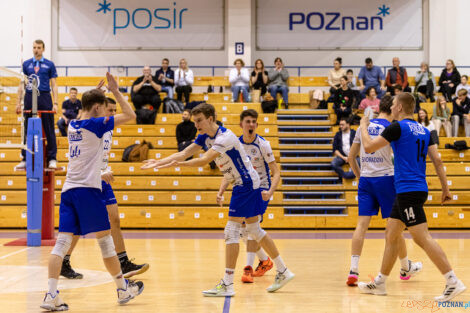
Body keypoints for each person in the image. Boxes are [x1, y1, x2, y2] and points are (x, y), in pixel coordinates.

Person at [141, 103, 294, 297]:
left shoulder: (225, 137)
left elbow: (204, 160)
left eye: (199, 121)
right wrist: (158, 162)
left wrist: (174, 165)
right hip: (247, 183)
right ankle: (283, 270)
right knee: (254, 229)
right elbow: (184, 153)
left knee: (232, 231)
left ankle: (228, 284)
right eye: (195, 121)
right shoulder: (205, 136)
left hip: (245, 185)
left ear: (210, 119)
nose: (196, 125)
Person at [40, 73, 144, 311]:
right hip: (88, 190)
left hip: (69, 191)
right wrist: (116, 91)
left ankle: (51, 294)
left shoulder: (73, 124)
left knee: (61, 244)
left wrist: (97, 94)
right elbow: (131, 115)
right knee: (106, 242)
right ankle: (122, 289)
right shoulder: (95, 125)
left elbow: (87, 109)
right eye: (102, 108)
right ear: (97, 107)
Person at [357, 92, 466, 302]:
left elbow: (369, 147)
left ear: (398, 107)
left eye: (394, 103)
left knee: (421, 237)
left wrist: (363, 125)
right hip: (415, 188)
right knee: (391, 233)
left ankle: (453, 280)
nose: (393, 106)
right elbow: (437, 161)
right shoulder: (425, 130)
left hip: (407, 190)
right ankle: (380, 283)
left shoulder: (397, 128)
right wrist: (446, 189)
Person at [60, 96, 150, 280]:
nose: (113, 114)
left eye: (114, 111)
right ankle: (65, 260)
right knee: (80, 226)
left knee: (115, 219)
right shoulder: (94, 124)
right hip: (90, 179)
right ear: (99, 110)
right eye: (110, 111)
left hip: (102, 176)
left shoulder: (106, 127)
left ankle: (123, 261)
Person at [346, 95, 422, 287]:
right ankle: (405, 267)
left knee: (361, 226)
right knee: (395, 227)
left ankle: (353, 270)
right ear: (393, 109)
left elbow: (351, 157)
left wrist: (359, 175)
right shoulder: (390, 129)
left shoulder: (362, 128)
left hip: (366, 180)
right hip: (386, 179)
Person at [216, 109, 280, 283]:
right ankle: (265, 261)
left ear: (257, 125)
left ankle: (249, 268)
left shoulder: (263, 145)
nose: (251, 125)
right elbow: (229, 171)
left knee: (251, 226)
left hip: (261, 188)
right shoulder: (235, 144)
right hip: (244, 187)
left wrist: (270, 192)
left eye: (254, 122)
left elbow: (276, 172)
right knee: (245, 229)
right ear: (241, 125)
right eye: (248, 122)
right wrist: (221, 191)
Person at [16, 39, 58, 169]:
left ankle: (52, 158)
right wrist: (18, 102)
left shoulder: (49, 64)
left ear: (43, 49)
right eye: (34, 47)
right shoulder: (26, 64)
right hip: (29, 96)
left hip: (44, 96)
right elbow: (21, 84)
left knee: (49, 128)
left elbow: (54, 85)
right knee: (26, 129)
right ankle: (25, 158)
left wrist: (55, 102)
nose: (36, 50)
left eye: (39, 47)